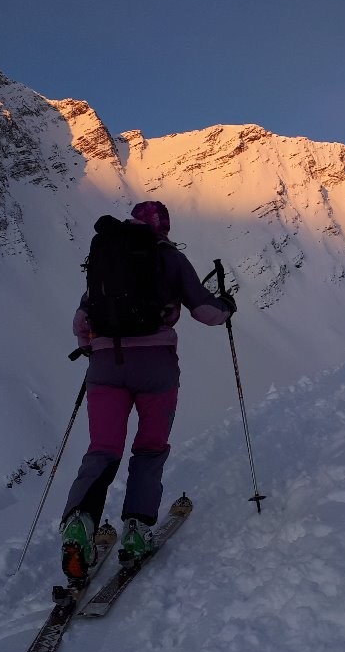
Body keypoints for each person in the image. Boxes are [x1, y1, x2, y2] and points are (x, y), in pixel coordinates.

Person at [59, 200, 235, 581]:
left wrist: (92, 347)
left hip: (105, 367)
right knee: (150, 448)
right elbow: (205, 311)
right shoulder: (169, 258)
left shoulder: (108, 255)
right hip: (156, 368)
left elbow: (82, 320)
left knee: (102, 450)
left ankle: (78, 524)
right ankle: (136, 530)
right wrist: (226, 307)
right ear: (163, 228)